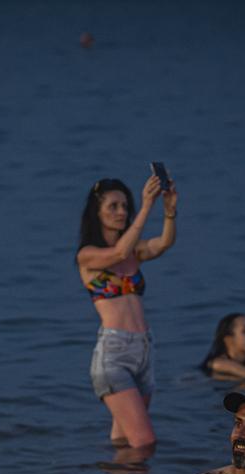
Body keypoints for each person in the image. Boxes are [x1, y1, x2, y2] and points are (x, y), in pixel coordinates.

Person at [76, 172, 178, 453]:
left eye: (125, 206)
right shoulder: (87, 256)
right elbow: (119, 253)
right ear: (96, 212)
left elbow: (163, 244)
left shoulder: (135, 253)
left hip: (144, 350)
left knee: (124, 442)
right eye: (113, 206)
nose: (122, 212)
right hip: (114, 353)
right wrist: (146, 206)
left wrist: (169, 212)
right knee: (144, 443)